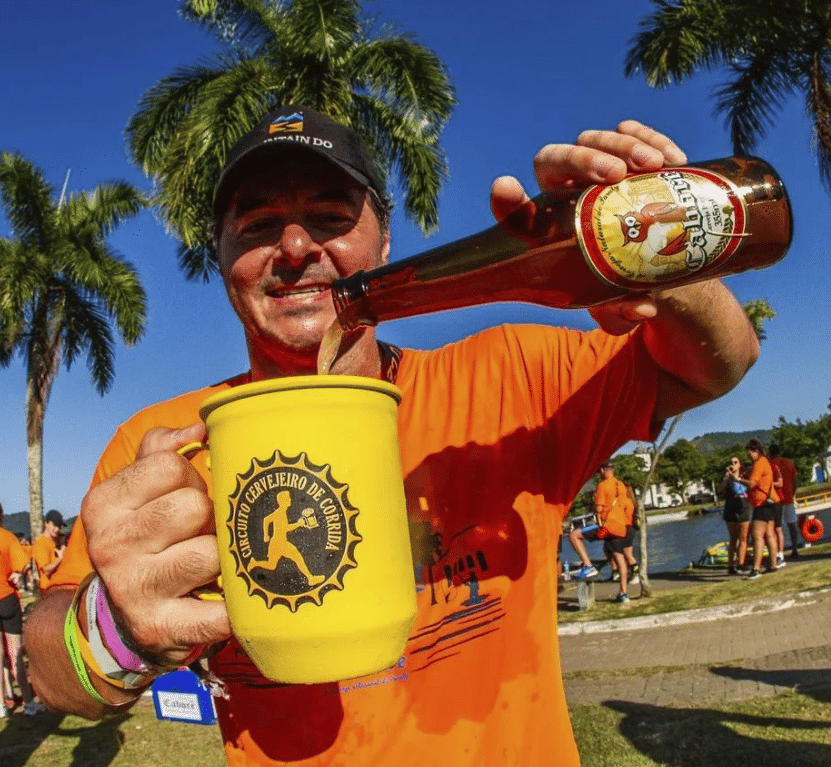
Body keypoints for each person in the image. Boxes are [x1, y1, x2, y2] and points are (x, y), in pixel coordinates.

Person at [24, 109, 761, 767]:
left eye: (328, 215)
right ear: (220, 257)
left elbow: (717, 363)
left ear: (383, 238)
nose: (292, 245)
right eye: (254, 225)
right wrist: (116, 629)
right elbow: (52, 670)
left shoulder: (510, 374)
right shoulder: (166, 444)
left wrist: (660, 257)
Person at [0, 503, 44, 716]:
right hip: (6, 598)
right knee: (16, 652)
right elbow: (23, 566)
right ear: (2, 515)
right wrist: (18, 574)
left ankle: (1, 705)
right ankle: (28, 703)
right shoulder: (8, 538)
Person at [731, 439, 780, 579]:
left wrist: (737, 479)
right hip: (770, 501)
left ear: (756, 451)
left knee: (757, 536)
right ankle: (773, 564)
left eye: (750, 453)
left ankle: (756, 569)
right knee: (770, 535)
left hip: (762, 503)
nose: (748, 456)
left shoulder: (759, 464)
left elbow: (752, 484)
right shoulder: (764, 462)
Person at [716, 457, 751, 574]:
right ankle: (731, 565)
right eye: (731, 462)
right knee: (733, 539)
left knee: (743, 538)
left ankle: (741, 563)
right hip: (730, 509)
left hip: (744, 508)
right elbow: (719, 491)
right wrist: (726, 478)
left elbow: (751, 487)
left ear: (740, 465)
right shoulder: (727, 479)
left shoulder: (745, 477)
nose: (733, 464)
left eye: (735, 462)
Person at [769, 443, 800, 560]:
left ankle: (779, 552)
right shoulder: (789, 462)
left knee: (777, 527)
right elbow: (795, 479)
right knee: (792, 524)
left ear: (770, 453)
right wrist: (792, 493)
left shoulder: (770, 464)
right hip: (788, 496)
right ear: (780, 451)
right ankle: (794, 548)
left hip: (776, 498)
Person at [31, 510, 66, 592]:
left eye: (59, 526)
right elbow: (46, 571)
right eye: (54, 525)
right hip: (47, 590)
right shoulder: (41, 543)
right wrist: (60, 559)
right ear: (46, 524)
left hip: (57, 587)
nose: (57, 529)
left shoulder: (55, 542)